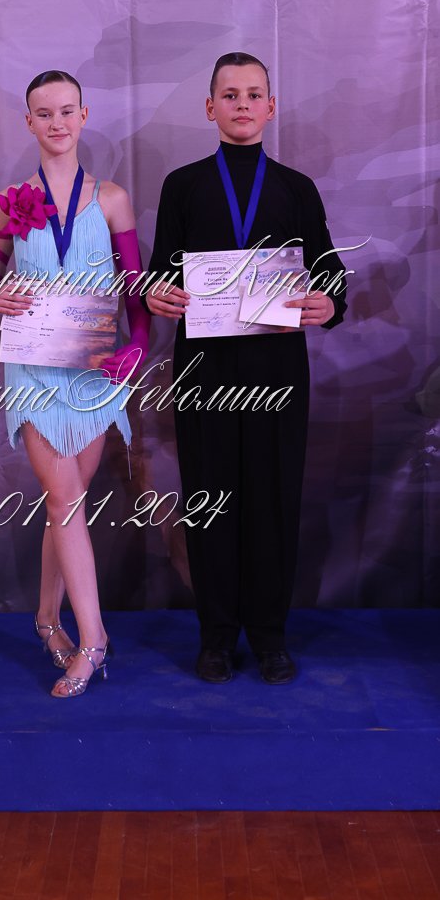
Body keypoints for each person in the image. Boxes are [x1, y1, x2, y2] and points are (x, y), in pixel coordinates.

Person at [145, 52, 346, 684]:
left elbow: (330, 275)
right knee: (210, 499)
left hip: (276, 370)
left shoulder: (296, 188)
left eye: (253, 94)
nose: (242, 104)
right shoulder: (182, 185)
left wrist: (329, 303)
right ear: (210, 108)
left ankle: (269, 635)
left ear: (271, 107)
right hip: (203, 370)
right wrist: (156, 293)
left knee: (272, 498)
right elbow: (159, 273)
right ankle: (216, 635)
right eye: (229, 95)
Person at [0, 70, 150, 697]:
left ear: (84, 115)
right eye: (44, 113)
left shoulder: (113, 198)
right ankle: (94, 642)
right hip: (34, 371)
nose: (57, 122)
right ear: (29, 122)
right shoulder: (10, 200)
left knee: (63, 503)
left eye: (67, 110)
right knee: (67, 500)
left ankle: (47, 618)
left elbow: (136, 291)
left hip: (95, 371)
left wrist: (138, 346)